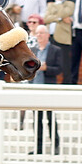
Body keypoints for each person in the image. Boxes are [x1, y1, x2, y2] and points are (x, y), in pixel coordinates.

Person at [30, 25, 62, 155]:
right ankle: (38, 147)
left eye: (41, 33)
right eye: (37, 33)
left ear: (48, 35)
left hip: (48, 89)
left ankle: (55, 145)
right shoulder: (32, 50)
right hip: (35, 90)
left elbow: (59, 69)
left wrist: (46, 68)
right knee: (36, 121)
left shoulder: (55, 50)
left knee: (50, 119)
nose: (39, 36)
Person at [43, 0, 74, 84]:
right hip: (50, 36)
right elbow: (46, 19)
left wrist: (60, 3)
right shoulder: (51, 4)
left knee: (65, 63)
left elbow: (65, 12)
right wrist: (60, 18)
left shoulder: (70, 4)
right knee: (50, 61)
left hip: (62, 38)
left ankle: (67, 84)